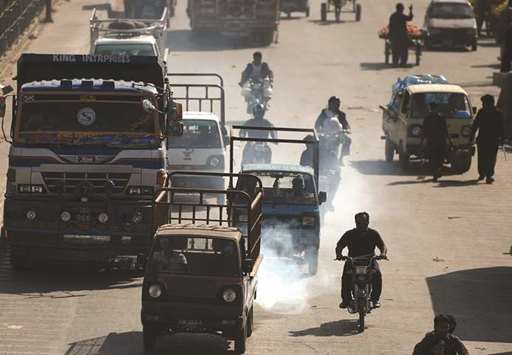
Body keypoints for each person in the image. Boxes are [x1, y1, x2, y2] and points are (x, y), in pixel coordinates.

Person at [335, 212, 388, 309]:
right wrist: (339, 255)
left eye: (364, 223)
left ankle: (375, 299)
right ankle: (346, 300)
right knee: (346, 276)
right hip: (352, 260)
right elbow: (339, 245)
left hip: (370, 260)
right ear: (355, 223)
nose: (362, 225)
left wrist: (383, 254)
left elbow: (382, 246)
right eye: (359, 223)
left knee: (377, 275)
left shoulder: (373, 234)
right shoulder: (349, 234)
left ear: (368, 222)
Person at [471, 95, 505, 184]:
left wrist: (502, 138)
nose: (482, 104)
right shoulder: (494, 112)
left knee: (487, 157)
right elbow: (475, 125)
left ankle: (487, 175)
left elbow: (475, 125)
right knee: (487, 157)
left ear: (488, 103)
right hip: (488, 139)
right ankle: (485, 174)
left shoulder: (492, 113)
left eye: (483, 103)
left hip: (488, 139)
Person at [315, 96, 352, 164]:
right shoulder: (324, 113)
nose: (336, 105)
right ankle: (317, 158)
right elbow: (317, 124)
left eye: (337, 104)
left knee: (348, 140)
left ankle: (341, 158)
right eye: (334, 104)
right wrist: (319, 130)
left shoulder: (341, 115)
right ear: (330, 104)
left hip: (338, 134)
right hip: (325, 134)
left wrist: (347, 130)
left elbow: (346, 125)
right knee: (317, 142)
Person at [422, 103, 449, 182]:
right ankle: (436, 173)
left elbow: (424, 131)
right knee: (435, 158)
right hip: (437, 141)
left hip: (435, 141)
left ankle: (436, 172)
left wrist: (423, 141)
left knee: (437, 158)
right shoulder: (439, 118)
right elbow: (445, 130)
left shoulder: (428, 118)